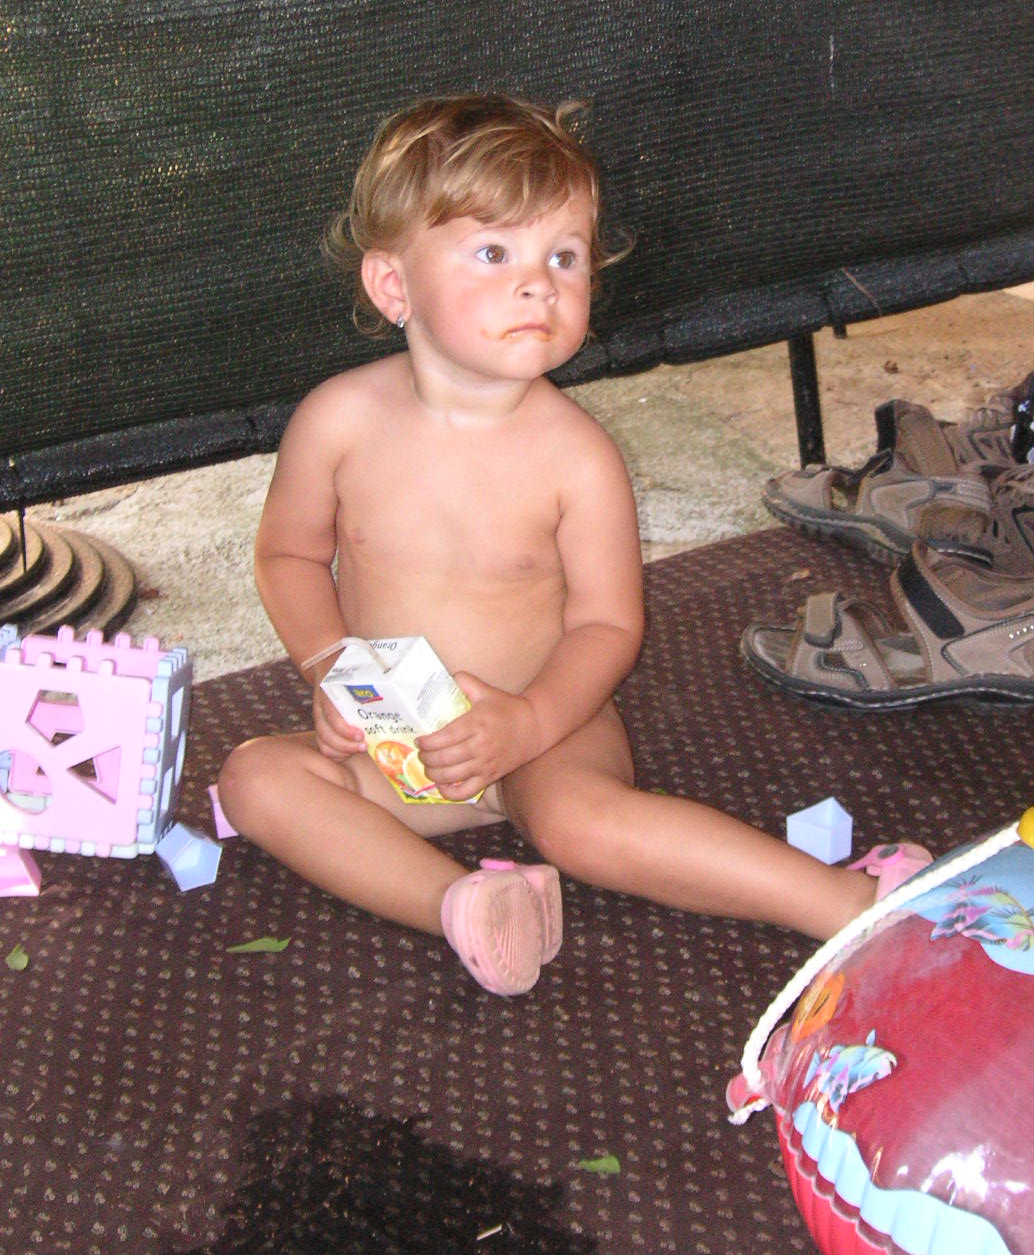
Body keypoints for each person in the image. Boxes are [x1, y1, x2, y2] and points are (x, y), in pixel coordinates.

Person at [217, 93, 928, 995]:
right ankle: (466, 905)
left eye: (564, 255)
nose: (539, 284)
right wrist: (329, 667)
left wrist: (527, 722)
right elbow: (286, 556)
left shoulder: (577, 458)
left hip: (548, 729)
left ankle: (845, 901)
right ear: (394, 286)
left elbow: (607, 627)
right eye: (493, 252)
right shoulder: (337, 421)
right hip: (401, 745)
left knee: (580, 825)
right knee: (256, 779)